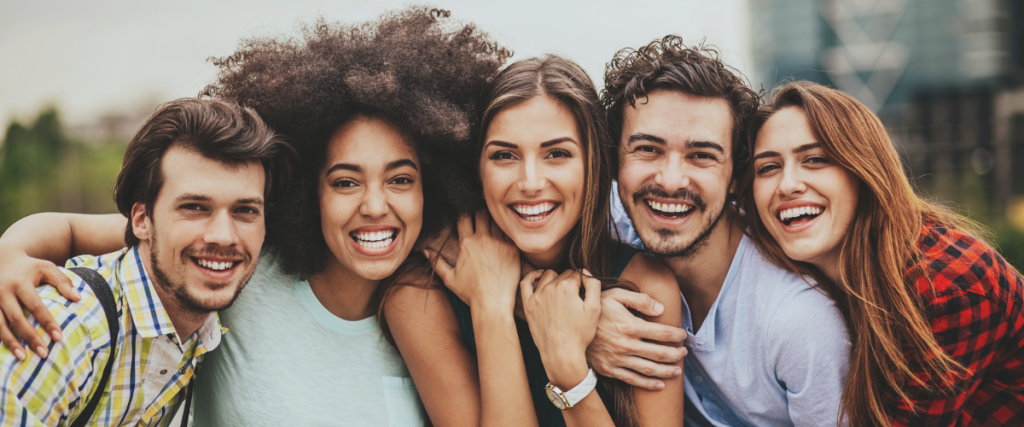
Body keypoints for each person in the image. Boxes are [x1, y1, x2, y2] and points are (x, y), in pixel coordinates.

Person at [0, 7, 508, 426]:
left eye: (400, 179)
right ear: (309, 190)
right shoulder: (238, 262)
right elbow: (75, 232)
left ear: (434, 185)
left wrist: (492, 307)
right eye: (346, 181)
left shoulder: (425, 296)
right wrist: (8, 255)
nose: (375, 205)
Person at [387, 55, 685, 427]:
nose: (529, 182)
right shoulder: (419, 296)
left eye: (556, 154)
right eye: (504, 155)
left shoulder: (644, 289)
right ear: (475, 171)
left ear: (595, 164)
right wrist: (491, 308)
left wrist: (567, 366)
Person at [586, 36, 852, 426]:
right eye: (648, 149)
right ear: (614, 163)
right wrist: (581, 317)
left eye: (701, 156)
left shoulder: (799, 322)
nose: (672, 180)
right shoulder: (613, 219)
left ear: (734, 176)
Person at [744, 80, 1024, 426]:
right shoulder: (783, 280)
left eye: (814, 159)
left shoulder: (947, 286)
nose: (787, 185)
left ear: (863, 169)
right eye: (768, 167)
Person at [0, 97, 295, 426]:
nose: (224, 236)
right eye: (195, 207)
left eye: (246, 210)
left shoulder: (196, 329)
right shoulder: (64, 335)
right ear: (141, 220)